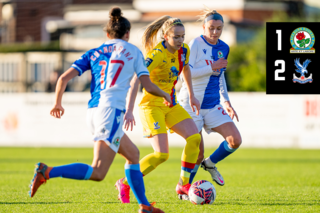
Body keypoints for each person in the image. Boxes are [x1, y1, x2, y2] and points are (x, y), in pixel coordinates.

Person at [29, 7, 170, 213]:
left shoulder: (94, 52)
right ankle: (47, 171)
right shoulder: (133, 51)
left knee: (133, 154)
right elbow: (147, 86)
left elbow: (62, 78)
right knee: (98, 171)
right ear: (128, 33)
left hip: (94, 112)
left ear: (107, 34)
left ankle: (145, 206)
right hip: (110, 112)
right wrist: (165, 94)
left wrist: (57, 103)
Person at [115, 15, 201, 203]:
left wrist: (192, 95)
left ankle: (183, 184)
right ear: (165, 36)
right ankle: (124, 183)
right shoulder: (156, 54)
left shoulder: (184, 50)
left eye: (182, 36)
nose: (180, 40)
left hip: (170, 104)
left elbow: (185, 68)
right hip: (151, 106)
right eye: (176, 37)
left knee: (194, 138)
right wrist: (128, 111)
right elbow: (136, 79)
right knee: (161, 154)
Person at [177, 8, 242, 192]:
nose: (215, 32)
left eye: (219, 28)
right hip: (192, 105)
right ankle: (184, 188)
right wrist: (211, 66)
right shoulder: (194, 44)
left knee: (235, 140)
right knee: (196, 154)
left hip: (213, 105)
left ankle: (211, 163)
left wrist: (227, 102)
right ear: (204, 27)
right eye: (211, 28)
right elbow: (185, 74)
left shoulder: (224, 48)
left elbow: (219, 76)